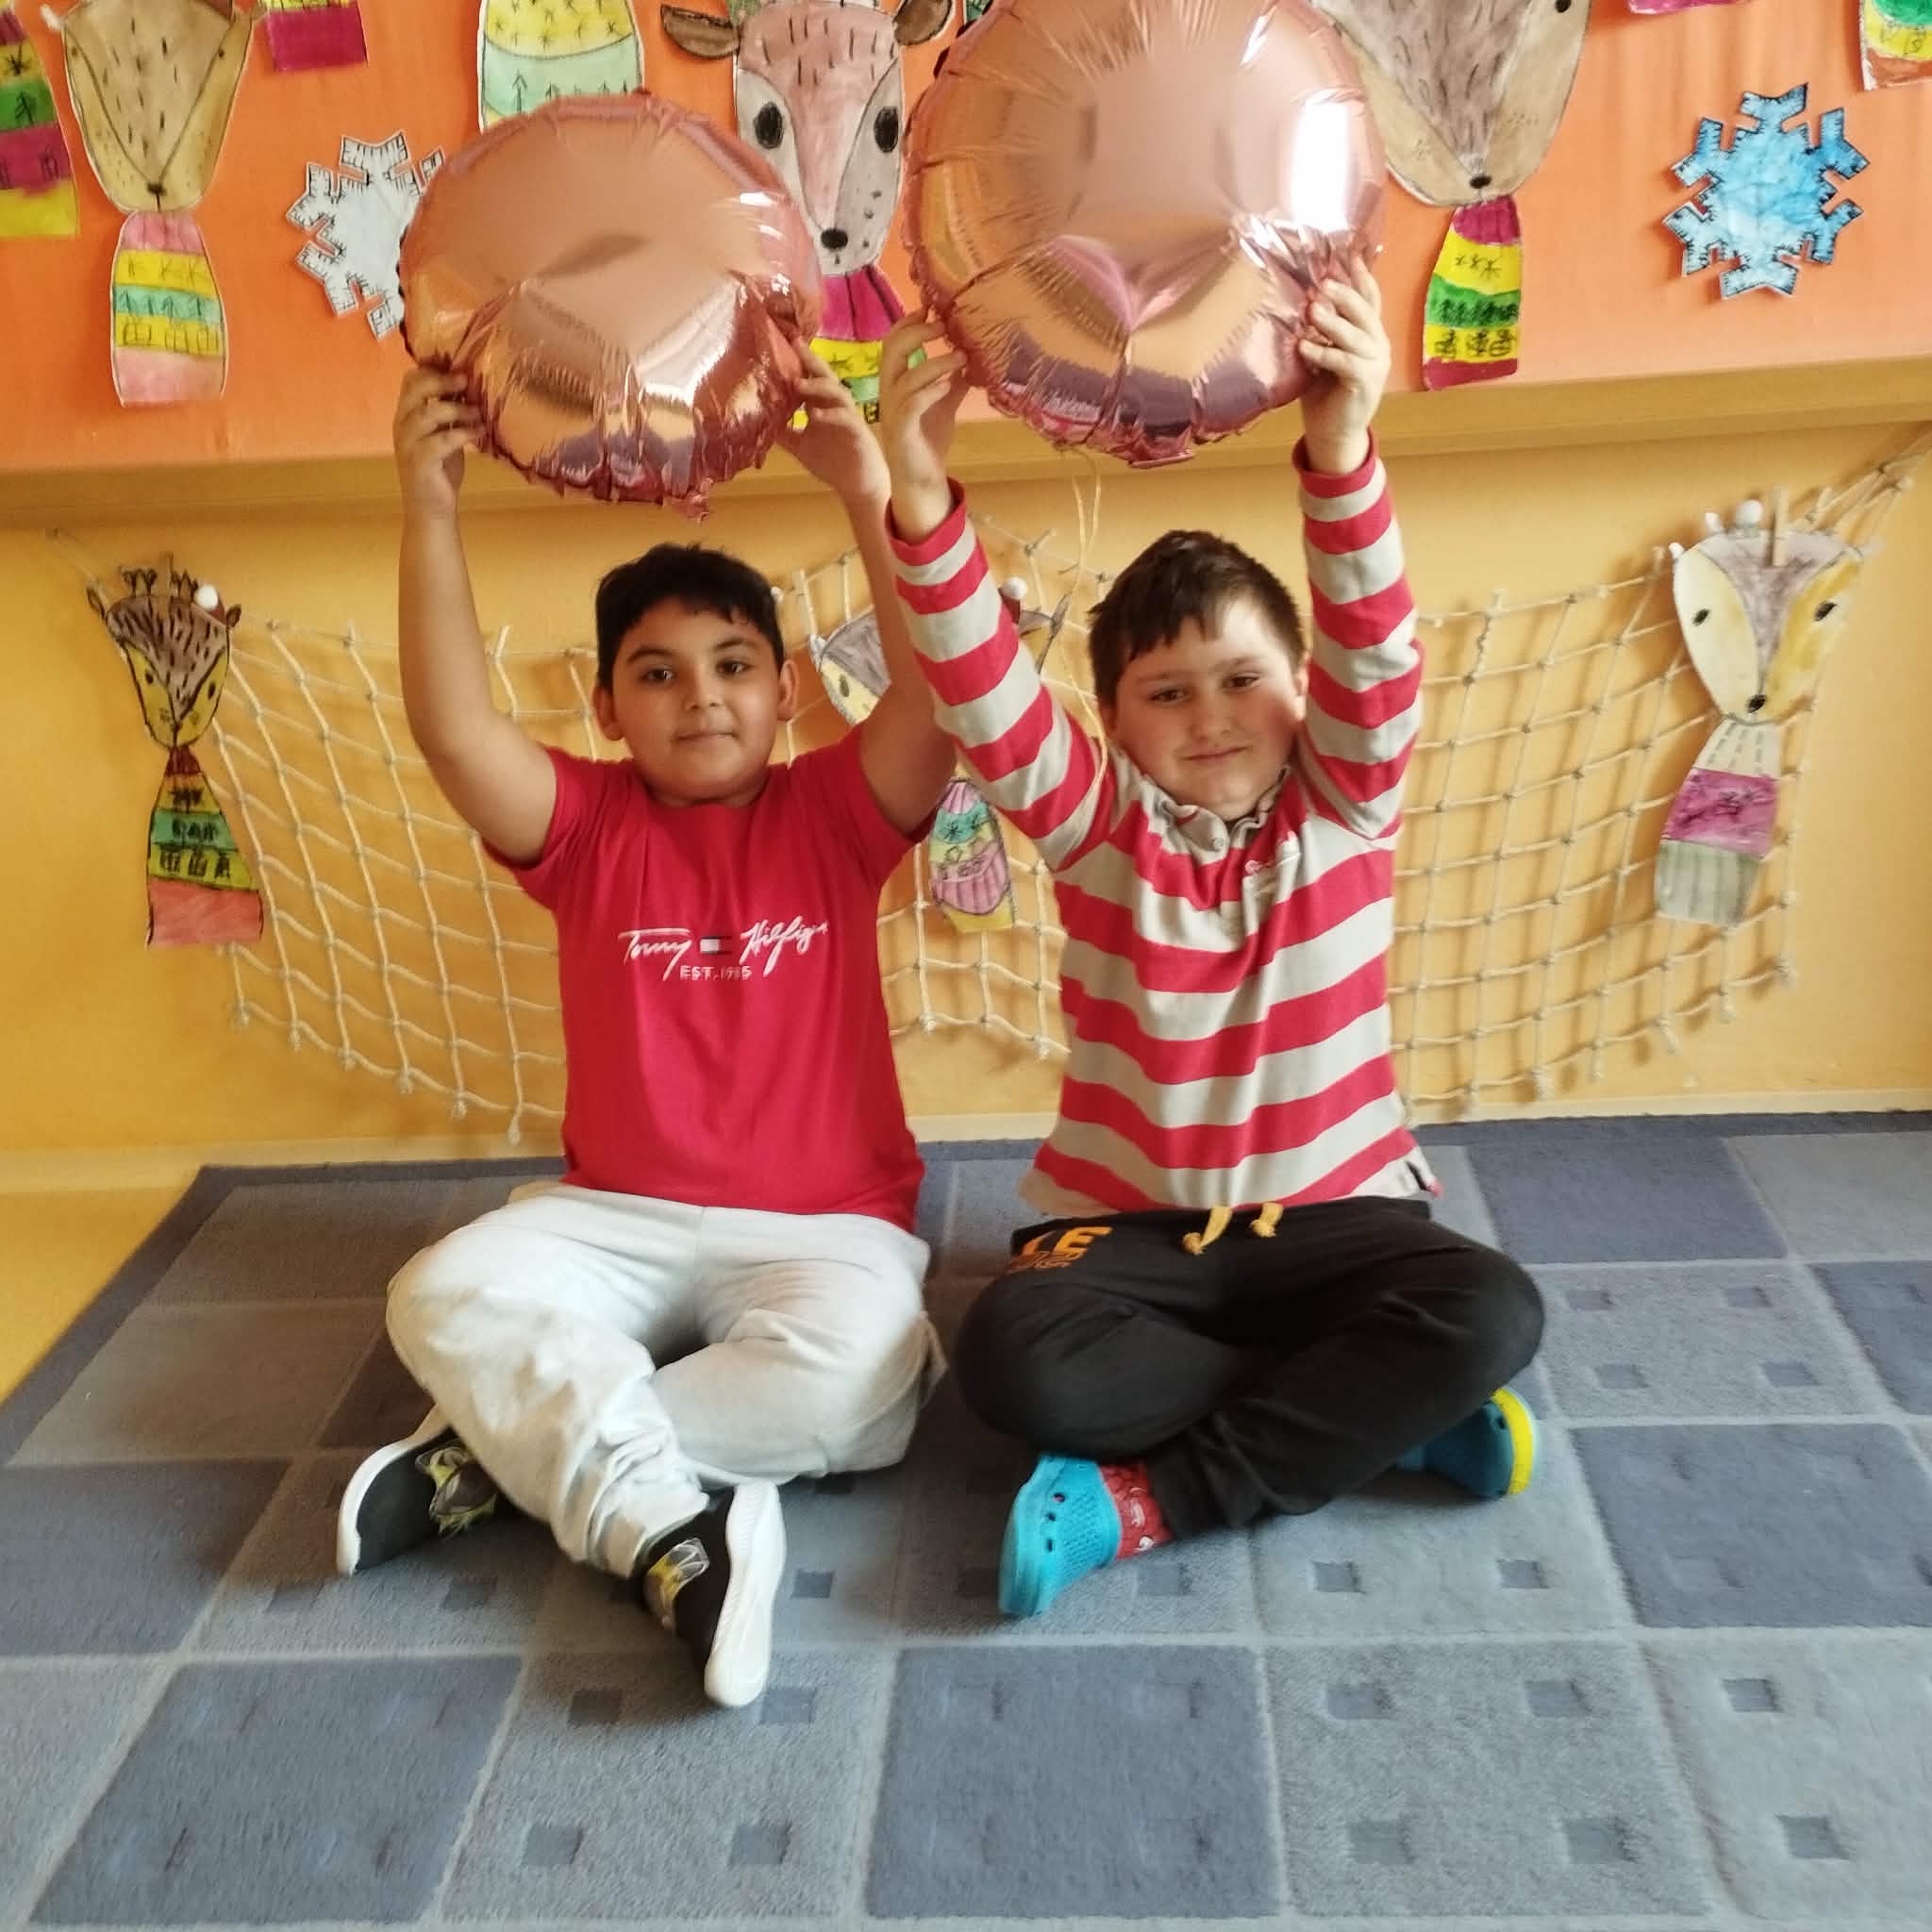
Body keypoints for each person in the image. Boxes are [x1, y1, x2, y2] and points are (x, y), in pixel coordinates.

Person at [874, 264, 1544, 1617]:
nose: (1212, 716)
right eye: (1166, 694)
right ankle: (1368, 1420)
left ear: (1304, 691)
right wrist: (921, 487)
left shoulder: (1346, 803)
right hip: (1131, 1243)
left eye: (1244, 680)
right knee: (1012, 1361)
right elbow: (983, 687)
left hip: (1342, 1222)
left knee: (1492, 1314)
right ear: (1115, 725)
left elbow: (1380, 651)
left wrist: (1341, 446)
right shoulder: (1096, 827)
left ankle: (1156, 1499)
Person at [336, 355, 956, 1707]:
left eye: (735, 666)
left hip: (825, 1228)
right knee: (432, 1292)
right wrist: (428, 505)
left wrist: (868, 491)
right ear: (609, 710)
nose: (702, 697)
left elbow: (934, 701)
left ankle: (501, 1456)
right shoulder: (587, 823)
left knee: (869, 1383)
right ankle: (671, 1526)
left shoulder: (836, 811)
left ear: (786, 690)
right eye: (658, 675)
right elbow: (454, 731)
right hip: (611, 1218)